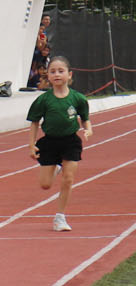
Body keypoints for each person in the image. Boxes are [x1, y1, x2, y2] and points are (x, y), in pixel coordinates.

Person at [26, 54, 91, 233]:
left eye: (61, 71)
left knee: (68, 179)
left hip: (71, 141)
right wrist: (31, 145)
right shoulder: (44, 100)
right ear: (48, 75)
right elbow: (34, 122)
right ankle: (56, 166)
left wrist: (88, 129)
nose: (57, 74)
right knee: (45, 184)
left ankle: (60, 217)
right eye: (53, 71)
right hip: (49, 142)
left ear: (70, 75)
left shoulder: (78, 99)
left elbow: (85, 118)